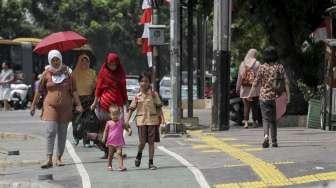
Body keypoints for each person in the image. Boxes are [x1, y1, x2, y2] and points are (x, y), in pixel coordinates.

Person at [30, 49, 83, 168]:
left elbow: (74, 91)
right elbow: (39, 91)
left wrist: (79, 104)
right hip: (50, 106)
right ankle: (49, 158)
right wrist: (33, 105)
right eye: (53, 60)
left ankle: (59, 157)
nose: (55, 62)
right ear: (50, 60)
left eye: (57, 59)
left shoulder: (68, 72)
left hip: (66, 107)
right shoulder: (46, 73)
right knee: (51, 130)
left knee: (62, 132)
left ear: (60, 59)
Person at [248, 46, 290, 148]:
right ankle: (274, 141)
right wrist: (289, 95)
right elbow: (286, 82)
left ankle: (266, 137)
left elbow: (256, 82)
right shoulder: (279, 67)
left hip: (264, 97)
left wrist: (250, 94)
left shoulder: (262, 67)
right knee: (273, 120)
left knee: (265, 119)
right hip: (275, 97)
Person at [89, 52, 128, 159]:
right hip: (104, 105)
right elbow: (98, 89)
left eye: (114, 64)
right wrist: (94, 103)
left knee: (117, 129)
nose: (113, 66)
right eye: (110, 64)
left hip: (117, 106)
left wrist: (126, 102)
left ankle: (118, 151)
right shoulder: (103, 72)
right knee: (105, 130)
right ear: (107, 63)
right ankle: (107, 152)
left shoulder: (121, 73)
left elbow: (123, 89)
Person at [125, 71, 165, 170]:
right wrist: (127, 121)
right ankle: (139, 155)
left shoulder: (154, 94)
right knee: (142, 142)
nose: (144, 83)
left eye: (146, 81)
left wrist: (163, 120)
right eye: (142, 81)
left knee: (151, 142)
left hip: (153, 121)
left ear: (149, 83)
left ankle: (151, 163)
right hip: (141, 121)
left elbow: (159, 107)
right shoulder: (137, 96)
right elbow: (131, 109)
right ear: (139, 82)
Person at [72, 53, 97, 147]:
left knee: (87, 121)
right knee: (76, 120)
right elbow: (71, 87)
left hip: (89, 98)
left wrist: (94, 86)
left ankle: (86, 141)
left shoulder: (92, 72)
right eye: (82, 61)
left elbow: (96, 85)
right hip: (77, 99)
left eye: (86, 61)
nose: (84, 63)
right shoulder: (74, 73)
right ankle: (76, 137)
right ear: (79, 62)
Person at [236, 49, 262, 128]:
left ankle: (246, 123)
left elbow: (240, 77)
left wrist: (238, 87)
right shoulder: (257, 64)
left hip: (244, 88)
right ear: (255, 55)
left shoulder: (243, 64)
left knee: (246, 106)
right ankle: (254, 122)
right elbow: (259, 77)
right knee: (254, 106)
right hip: (255, 89)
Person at [102, 105, 132, 171]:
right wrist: (104, 137)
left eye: (117, 114)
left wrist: (129, 131)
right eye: (113, 115)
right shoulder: (109, 123)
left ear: (119, 114)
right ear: (110, 115)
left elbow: (126, 127)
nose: (115, 116)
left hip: (119, 141)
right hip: (111, 141)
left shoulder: (121, 122)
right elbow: (105, 131)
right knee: (110, 154)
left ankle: (121, 166)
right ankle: (109, 165)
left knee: (119, 153)